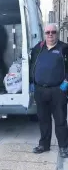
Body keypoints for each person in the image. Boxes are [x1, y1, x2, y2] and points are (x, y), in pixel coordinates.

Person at [30, 23, 68, 158]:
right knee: (43, 119)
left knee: (60, 120)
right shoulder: (38, 48)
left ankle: (63, 147)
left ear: (57, 33)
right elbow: (31, 64)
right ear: (44, 34)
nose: (50, 35)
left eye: (53, 32)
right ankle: (44, 145)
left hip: (58, 90)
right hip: (40, 90)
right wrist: (32, 81)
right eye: (47, 32)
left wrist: (66, 82)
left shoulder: (64, 48)